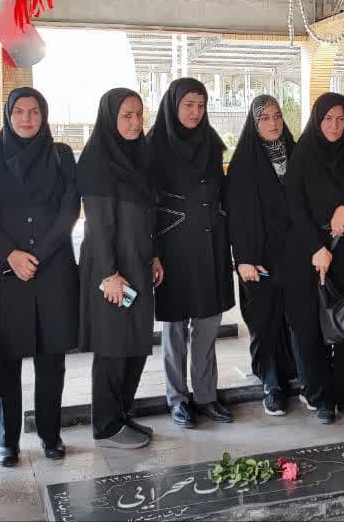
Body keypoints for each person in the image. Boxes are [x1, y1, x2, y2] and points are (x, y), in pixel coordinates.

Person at [0, 88, 79, 467]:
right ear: (8, 115)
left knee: (51, 357)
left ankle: (51, 434)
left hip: (53, 268)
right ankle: (8, 441)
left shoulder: (61, 155)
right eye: (18, 111)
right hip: (6, 271)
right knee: (7, 358)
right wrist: (12, 254)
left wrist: (40, 254)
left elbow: (70, 208)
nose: (26, 118)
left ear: (43, 115)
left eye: (34, 111)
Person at [76, 89, 162, 450]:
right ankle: (107, 426)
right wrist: (109, 273)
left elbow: (148, 214)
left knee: (136, 344)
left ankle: (123, 414)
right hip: (111, 269)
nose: (135, 122)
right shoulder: (97, 159)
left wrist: (154, 255)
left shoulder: (140, 155)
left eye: (139, 114)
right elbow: (97, 225)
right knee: (113, 347)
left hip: (138, 264)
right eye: (127, 115)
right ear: (110, 117)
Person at [149, 78, 235, 429]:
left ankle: (206, 396)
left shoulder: (211, 143)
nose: (195, 112)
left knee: (207, 323)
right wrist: (152, 252)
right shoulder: (154, 146)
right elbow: (147, 205)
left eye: (201, 105)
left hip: (211, 244)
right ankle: (177, 399)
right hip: (173, 249)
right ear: (173, 105)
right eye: (188, 105)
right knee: (174, 329)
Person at [227, 94, 318, 417]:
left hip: (295, 255)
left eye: (277, 116)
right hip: (259, 258)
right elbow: (237, 216)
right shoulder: (243, 162)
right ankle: (271, 384)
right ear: (254, 124)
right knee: (264, 321)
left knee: (299, 320)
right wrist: (243, 259)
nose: (273, 123)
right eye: (264, 118)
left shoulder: (297, 154)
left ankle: (304, 380)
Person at [285, 93, 344, 424]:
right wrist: (316, 247)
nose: (334, 126)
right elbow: (295, 206)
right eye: (328, 119)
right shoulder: (303, 153)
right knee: (310, 329)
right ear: (317, 120)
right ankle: (322, 398)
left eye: (341, 119)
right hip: (307, 253)